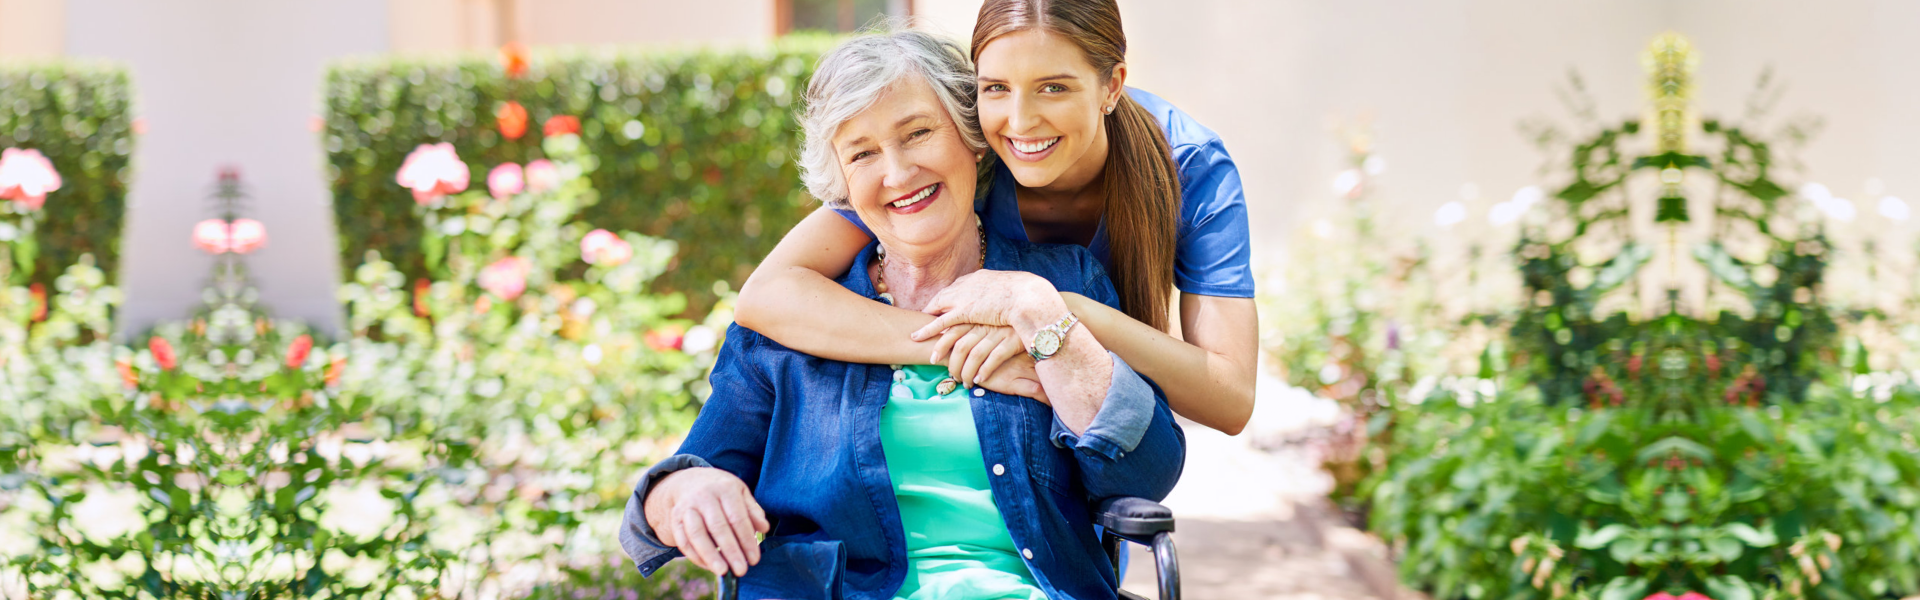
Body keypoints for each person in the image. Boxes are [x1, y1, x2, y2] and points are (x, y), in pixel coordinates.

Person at [619, 30, 1184, 600]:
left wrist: (1041, 317)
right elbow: (686, 476)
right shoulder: (787, 327)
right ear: (840, 183)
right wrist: (683, 492)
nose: (897, 173)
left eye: (917, 133)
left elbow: (1146, 473)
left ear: (974, 138)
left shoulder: (1063, 283)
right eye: (862, 153)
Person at [735, 0, 1259, 436]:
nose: (1020, 121)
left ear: (1112, 85)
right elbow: (767, 294)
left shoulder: (1190, 166)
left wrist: (1056, 313)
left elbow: (1230, 398)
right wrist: (943, 346)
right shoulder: (964, 149)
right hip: (1009, 414)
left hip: (1105, 416)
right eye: (996, 88)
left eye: (1054, 87)